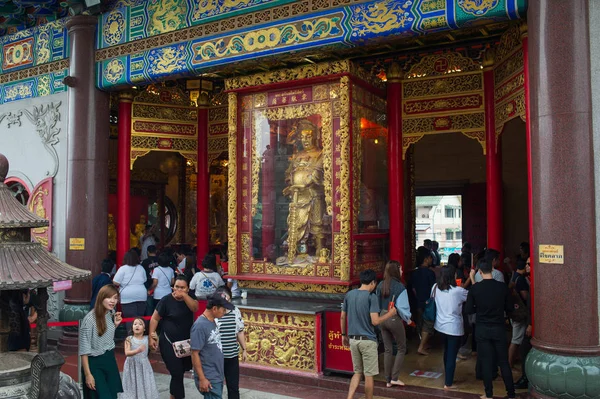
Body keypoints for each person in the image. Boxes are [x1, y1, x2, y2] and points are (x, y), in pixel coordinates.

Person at [341, 269, 397, 399]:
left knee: (357, 372)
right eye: (375, 284)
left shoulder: (349, 295)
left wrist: (344, 334)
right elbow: (375, 321)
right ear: (372, 282)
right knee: (369, 375)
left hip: (353, 340)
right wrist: (390, 313)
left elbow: (343, 317)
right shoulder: (371, 297)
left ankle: (349, 398)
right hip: (368, 341)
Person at [466, 259, 516, 399]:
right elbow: (510, 308)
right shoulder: (502, 287)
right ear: (492, 271)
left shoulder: (475, 289)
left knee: (486, 361)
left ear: (480, 272)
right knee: (503, 361)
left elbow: (468, 309)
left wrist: (479, 307)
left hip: (482, 328)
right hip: (499, 328)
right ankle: (511, 394)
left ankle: (488, 394)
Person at [150, 275, 198, 399]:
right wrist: (151, 335)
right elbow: (155, 318)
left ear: (188, 289)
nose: (179, 290)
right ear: (173, 287)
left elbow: (195, 308)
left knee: (180, 372)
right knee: (176, 373)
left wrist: (185, 296)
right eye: (177, 287)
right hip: (168, 342)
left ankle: (172, 395)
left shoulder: (190, 298)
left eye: (182, 288)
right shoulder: (166, 300)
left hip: (185, 343)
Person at [79, 284, 123, 399]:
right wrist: (88, 374)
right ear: (101, 297)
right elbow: (84, 350)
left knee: (113, 394)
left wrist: (115, 325)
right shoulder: (89, 320)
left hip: (109, 359)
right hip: (94, 362)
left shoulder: (110, 313)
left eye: (115, 298)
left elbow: (105, 337)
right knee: (102, 395)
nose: (113, 301)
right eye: (109, 297)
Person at [191, 292, 235, 399]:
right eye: (223, 310)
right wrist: (202, 378)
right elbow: (194, 353)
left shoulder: (212, 322)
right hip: (209, 376)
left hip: (216, 373)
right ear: (214, 308)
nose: (224, 313)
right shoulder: (200, 326)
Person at [375, 261, 411, 388]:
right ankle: (395, 377)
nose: (402, 271)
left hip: (382, 318)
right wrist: (408, 319)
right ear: (396, 271)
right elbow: (403, 308)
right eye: (400, 269)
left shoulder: (380, 285)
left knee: (387, 349)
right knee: (402, 348)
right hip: (394, 318)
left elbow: (376, 304)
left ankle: (387, 380)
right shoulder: (400, 287)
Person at [433, 265, 469, 390]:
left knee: (447, 352)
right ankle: (448, 383)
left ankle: (447, 377)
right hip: (454, 327)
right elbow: (470, 297)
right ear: (452, 276)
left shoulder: (435, 287)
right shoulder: (457, 291)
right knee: (452, 355)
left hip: (440, 326)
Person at [214, 287, 247, 399]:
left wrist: (244, 349)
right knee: (216, 386)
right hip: (217, 357)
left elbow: (240, 331)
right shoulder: (214, 313)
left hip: (232, 356)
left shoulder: (235, 311)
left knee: (233, 387)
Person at [120, 317, 158, 399]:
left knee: (144, 383)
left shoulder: (147, 338)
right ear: (132, 327)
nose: (137, 326)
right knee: (131, 384)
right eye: (135, 324)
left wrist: (156, 339)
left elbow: (153, 350)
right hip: (131, 366)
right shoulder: (129, 339)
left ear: (144, 328)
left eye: (140, 324)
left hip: (144, 366)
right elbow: (127, 353)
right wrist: (137, 350)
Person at [410, 246, 436, 355]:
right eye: (430, 258)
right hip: (428, 302)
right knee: (429, 323)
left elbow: (413, 288)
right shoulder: (430, 273)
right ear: (426, 259)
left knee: (420, 322)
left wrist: (418, 298)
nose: (431, 260)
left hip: (418, 301)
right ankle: (423, 345)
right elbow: (433, 289)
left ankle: (422, 342)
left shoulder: (414, 273)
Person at [113, 249, 147, 332]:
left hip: (127, 296)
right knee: (140, 317)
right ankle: (140, 336)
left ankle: (131, 336)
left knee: (130, 318)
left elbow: (115, 282)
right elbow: (145, 279)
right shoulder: (141, 268)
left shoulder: (123, 268)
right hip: (141, 294)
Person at [515, 257, 533, 389]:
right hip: (529, 320)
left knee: (524, 348)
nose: (526, 266)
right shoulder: (526, 280)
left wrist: (531, 324)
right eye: (526, 263)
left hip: (532, 322)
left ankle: (526, 377)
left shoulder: (535, 281)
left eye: (529, 264)